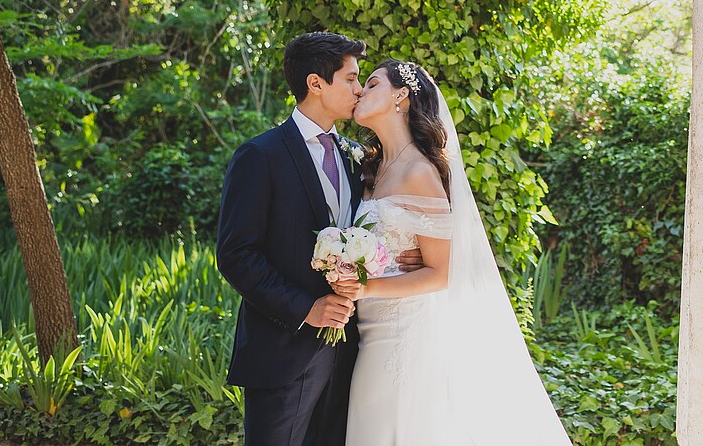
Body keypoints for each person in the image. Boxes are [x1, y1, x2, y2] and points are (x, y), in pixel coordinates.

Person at [344, 58, 570, 444]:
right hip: (368, 328)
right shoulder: (370, 167)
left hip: (403, 334)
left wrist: (367, 288)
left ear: (401, 96)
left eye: (372, 83)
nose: (361, 91)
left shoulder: (419, 172)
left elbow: (442, 272)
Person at [216, 31, 368, 446]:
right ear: (316, 84)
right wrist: (307, 308)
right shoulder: (260, 156)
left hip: (349, 352)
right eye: (351, 79)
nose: (359, 89)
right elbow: (236, 255)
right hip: (283, 351)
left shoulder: (355, 156)